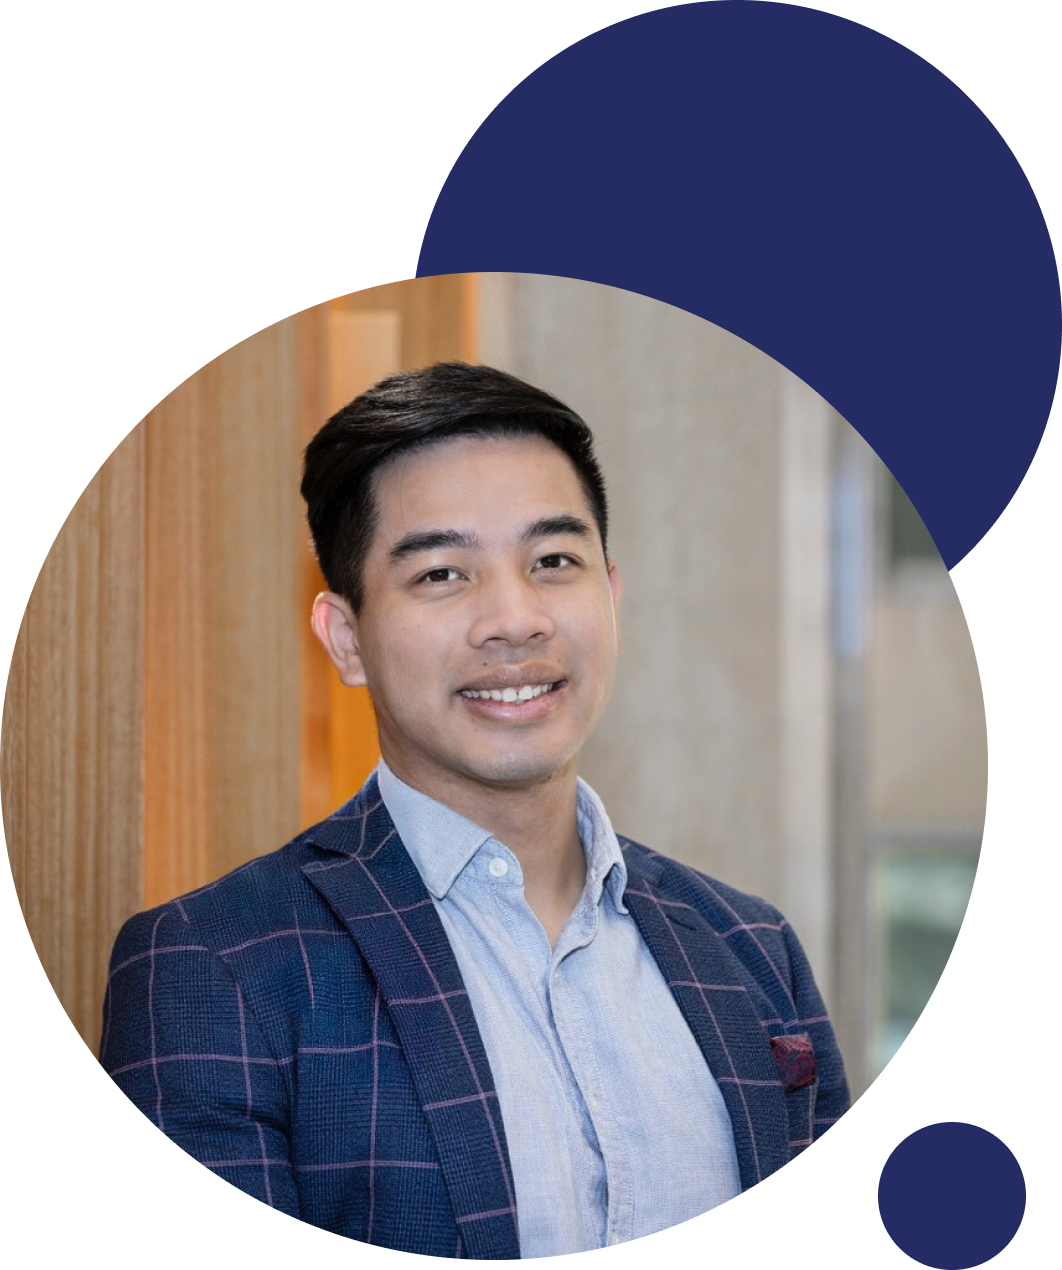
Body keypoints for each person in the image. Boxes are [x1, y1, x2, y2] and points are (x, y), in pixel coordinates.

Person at [99, 362, 850, 1261]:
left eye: (553, 561)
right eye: (443, 573)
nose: (513, 618)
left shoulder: (751, 949)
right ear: (347, 638)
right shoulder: (218, 968)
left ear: (611, 597)